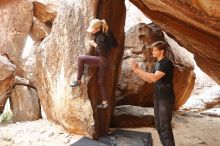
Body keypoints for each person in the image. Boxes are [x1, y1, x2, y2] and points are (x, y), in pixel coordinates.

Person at [131, 41, 175, 146]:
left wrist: (138, 69)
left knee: (165, 126)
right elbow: (149, 79)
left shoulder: (166, 63)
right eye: (153, 50)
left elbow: (154, 78)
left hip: (166, 98)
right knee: (159, 126)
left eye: (155, 50)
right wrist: (137, 71)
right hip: (158, 97)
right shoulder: (157, 64)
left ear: (162, 51)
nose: (152, 52)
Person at [70, 19, 117, 109]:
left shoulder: (100, 37)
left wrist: (94, 44)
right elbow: (115, 44)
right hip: (108, 61)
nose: (92, 31)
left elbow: (102, 52)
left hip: (102, 60)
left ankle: (78, 81)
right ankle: (105, 103)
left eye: (93, 29)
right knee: (100, 82)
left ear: (98, 28)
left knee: (80, 58)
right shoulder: (108, 33)